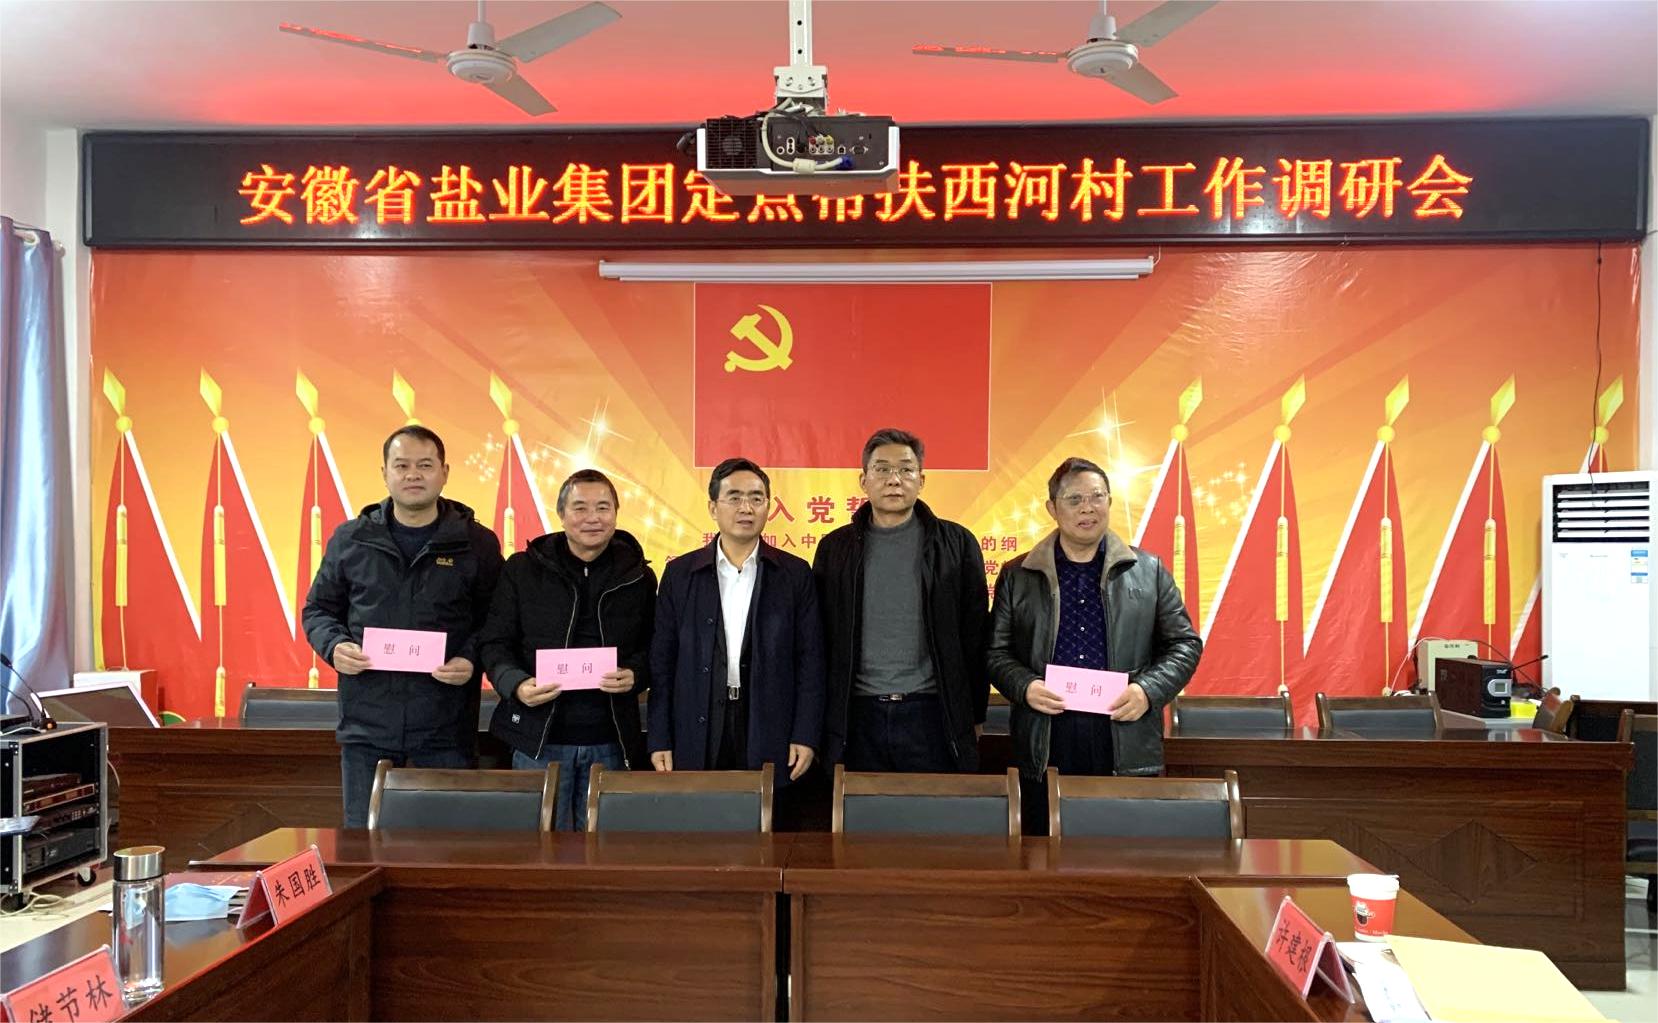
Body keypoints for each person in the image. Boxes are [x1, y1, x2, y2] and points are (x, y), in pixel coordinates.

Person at [303, 425, 504, 828]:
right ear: (385, 473)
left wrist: (471, 658)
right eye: (402, 465)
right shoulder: (351, 539)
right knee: (365, 845)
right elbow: (318, 610)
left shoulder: (476, 543)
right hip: (366, 729)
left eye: (425, 465)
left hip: (445, 728)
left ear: (444, 473)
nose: (413, 475)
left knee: (445, 849)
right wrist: (335, 646)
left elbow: (496, 620)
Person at [986, 456, 1202, 828]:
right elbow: (995, 652)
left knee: (1124, 846)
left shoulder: (1148, 571)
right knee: (1044, 846)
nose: (1088, 508)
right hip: (1047, 733)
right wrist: (1025, 686)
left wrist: (1147, 691)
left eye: (1097, 497)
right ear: (1052, 508)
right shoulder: (1019, 575)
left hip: (1123, 731)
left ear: (1110, 501)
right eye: (1074, 499)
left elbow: (1185, 644)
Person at [478, 469, 656, 830]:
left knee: (606, 849)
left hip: (611, 740)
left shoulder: (638, 575)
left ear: (616, 513)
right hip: (539, 740)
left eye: (603, 507)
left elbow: (655, 646)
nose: (593, 518)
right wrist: (515, 684)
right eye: (580, 507)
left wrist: (636, 674)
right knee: (540, 849)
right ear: (561, 514)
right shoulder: (523, 570)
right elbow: (494, 642)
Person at [648, 458, 825, 817]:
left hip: (769, 721)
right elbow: (662, 663)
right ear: (713, 507)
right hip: (698, 720)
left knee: (768, 822)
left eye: (757, 498)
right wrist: (660, 737)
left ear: (768, 507)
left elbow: (811, 660)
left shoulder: (793, 573)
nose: (746, 507)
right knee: (701, 822)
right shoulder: (680, 574)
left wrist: (806, 734)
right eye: (734, 497)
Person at [814, 428, 988, 773]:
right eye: (882, 469)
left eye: (906, 469)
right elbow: (820, 639)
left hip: (932, 713)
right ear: (863, 480)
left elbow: (977, 635)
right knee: (854, 807)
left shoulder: (957, 544)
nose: (894, 479)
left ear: (921, 480)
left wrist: (974, 714)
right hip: (856, 715)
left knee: (928, 808)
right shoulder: (835, 549)